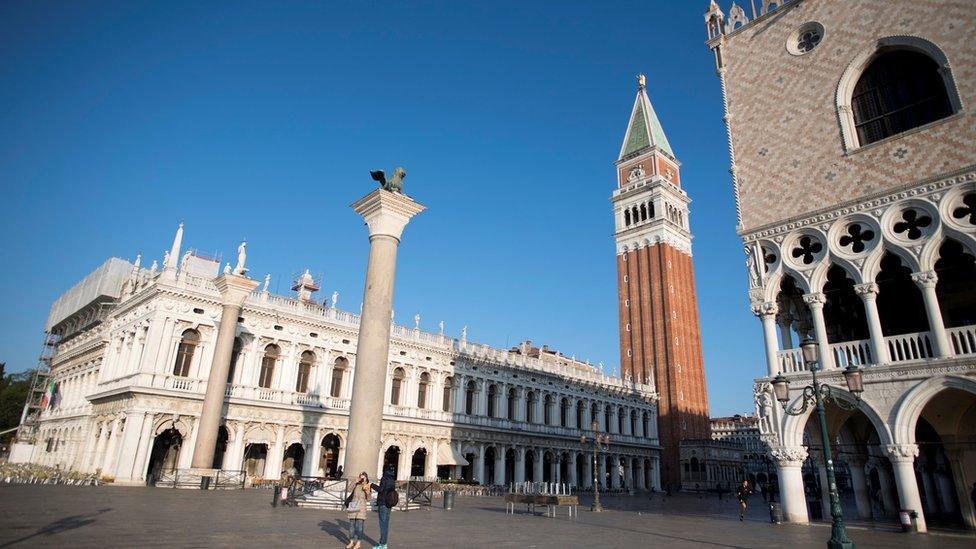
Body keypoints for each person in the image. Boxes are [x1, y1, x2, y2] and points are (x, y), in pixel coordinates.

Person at [371, 466, 396, 549]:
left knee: (383, 524)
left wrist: (372, 485)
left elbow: (381, 489)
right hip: (389, 503)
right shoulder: (392, 479)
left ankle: (383, 544)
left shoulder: (384, 478)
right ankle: (383, 543)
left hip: (383, 503)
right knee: (386, 524)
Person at [344, 471, 371, 549]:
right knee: (351, 525)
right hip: (353, 506)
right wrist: (354, 482)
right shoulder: (356, 484)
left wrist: (368, 492)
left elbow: (369, 499)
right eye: (360, 477)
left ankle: (358, 542)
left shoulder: (367, 485)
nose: (362, 479)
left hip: (361, 508)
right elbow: (348, 489)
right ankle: (351, 541)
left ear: (366, 478)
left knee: (360, 526)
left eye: (363, 477)